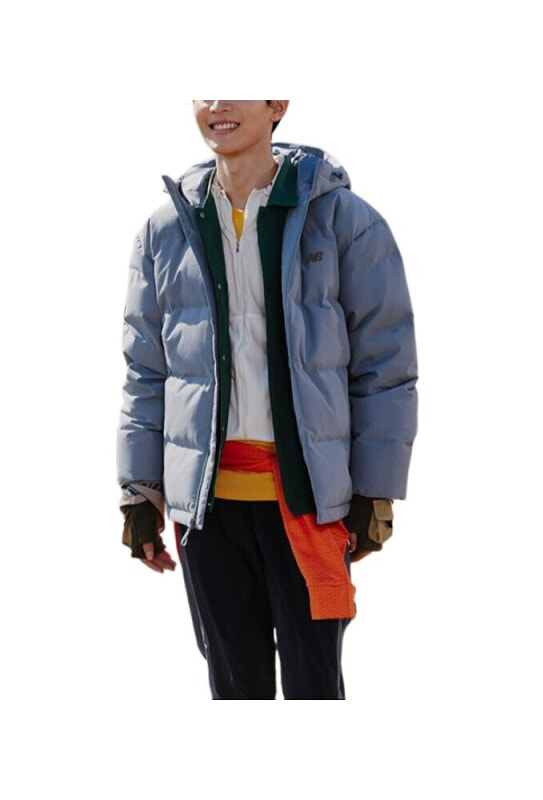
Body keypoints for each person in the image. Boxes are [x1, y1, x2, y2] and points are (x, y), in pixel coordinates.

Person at [116, 100, 418, 700]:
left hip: (308, 507)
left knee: (314, 691)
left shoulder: (344, 221)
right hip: (208, 513)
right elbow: (146, 371)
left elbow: (386, 362)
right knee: (233, 692)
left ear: (277, 103)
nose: (218, 104)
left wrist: (375, 490)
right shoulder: (165, 231)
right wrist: (139, 491)